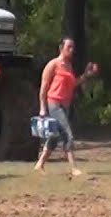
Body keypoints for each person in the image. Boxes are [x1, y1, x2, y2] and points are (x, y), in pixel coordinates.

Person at [35, 36, 98, 175]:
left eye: (73, 47)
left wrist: (86, 75)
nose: (71, 50)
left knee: (54, 137)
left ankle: (39, 165)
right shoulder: (53, 65)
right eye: (68, 47)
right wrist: (42, 107)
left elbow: (73, 84)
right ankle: (74, 168)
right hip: (54, 104)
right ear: (61, 48)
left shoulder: (69, 66)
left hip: (66, 104)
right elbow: (43, 88)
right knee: (68, 135)